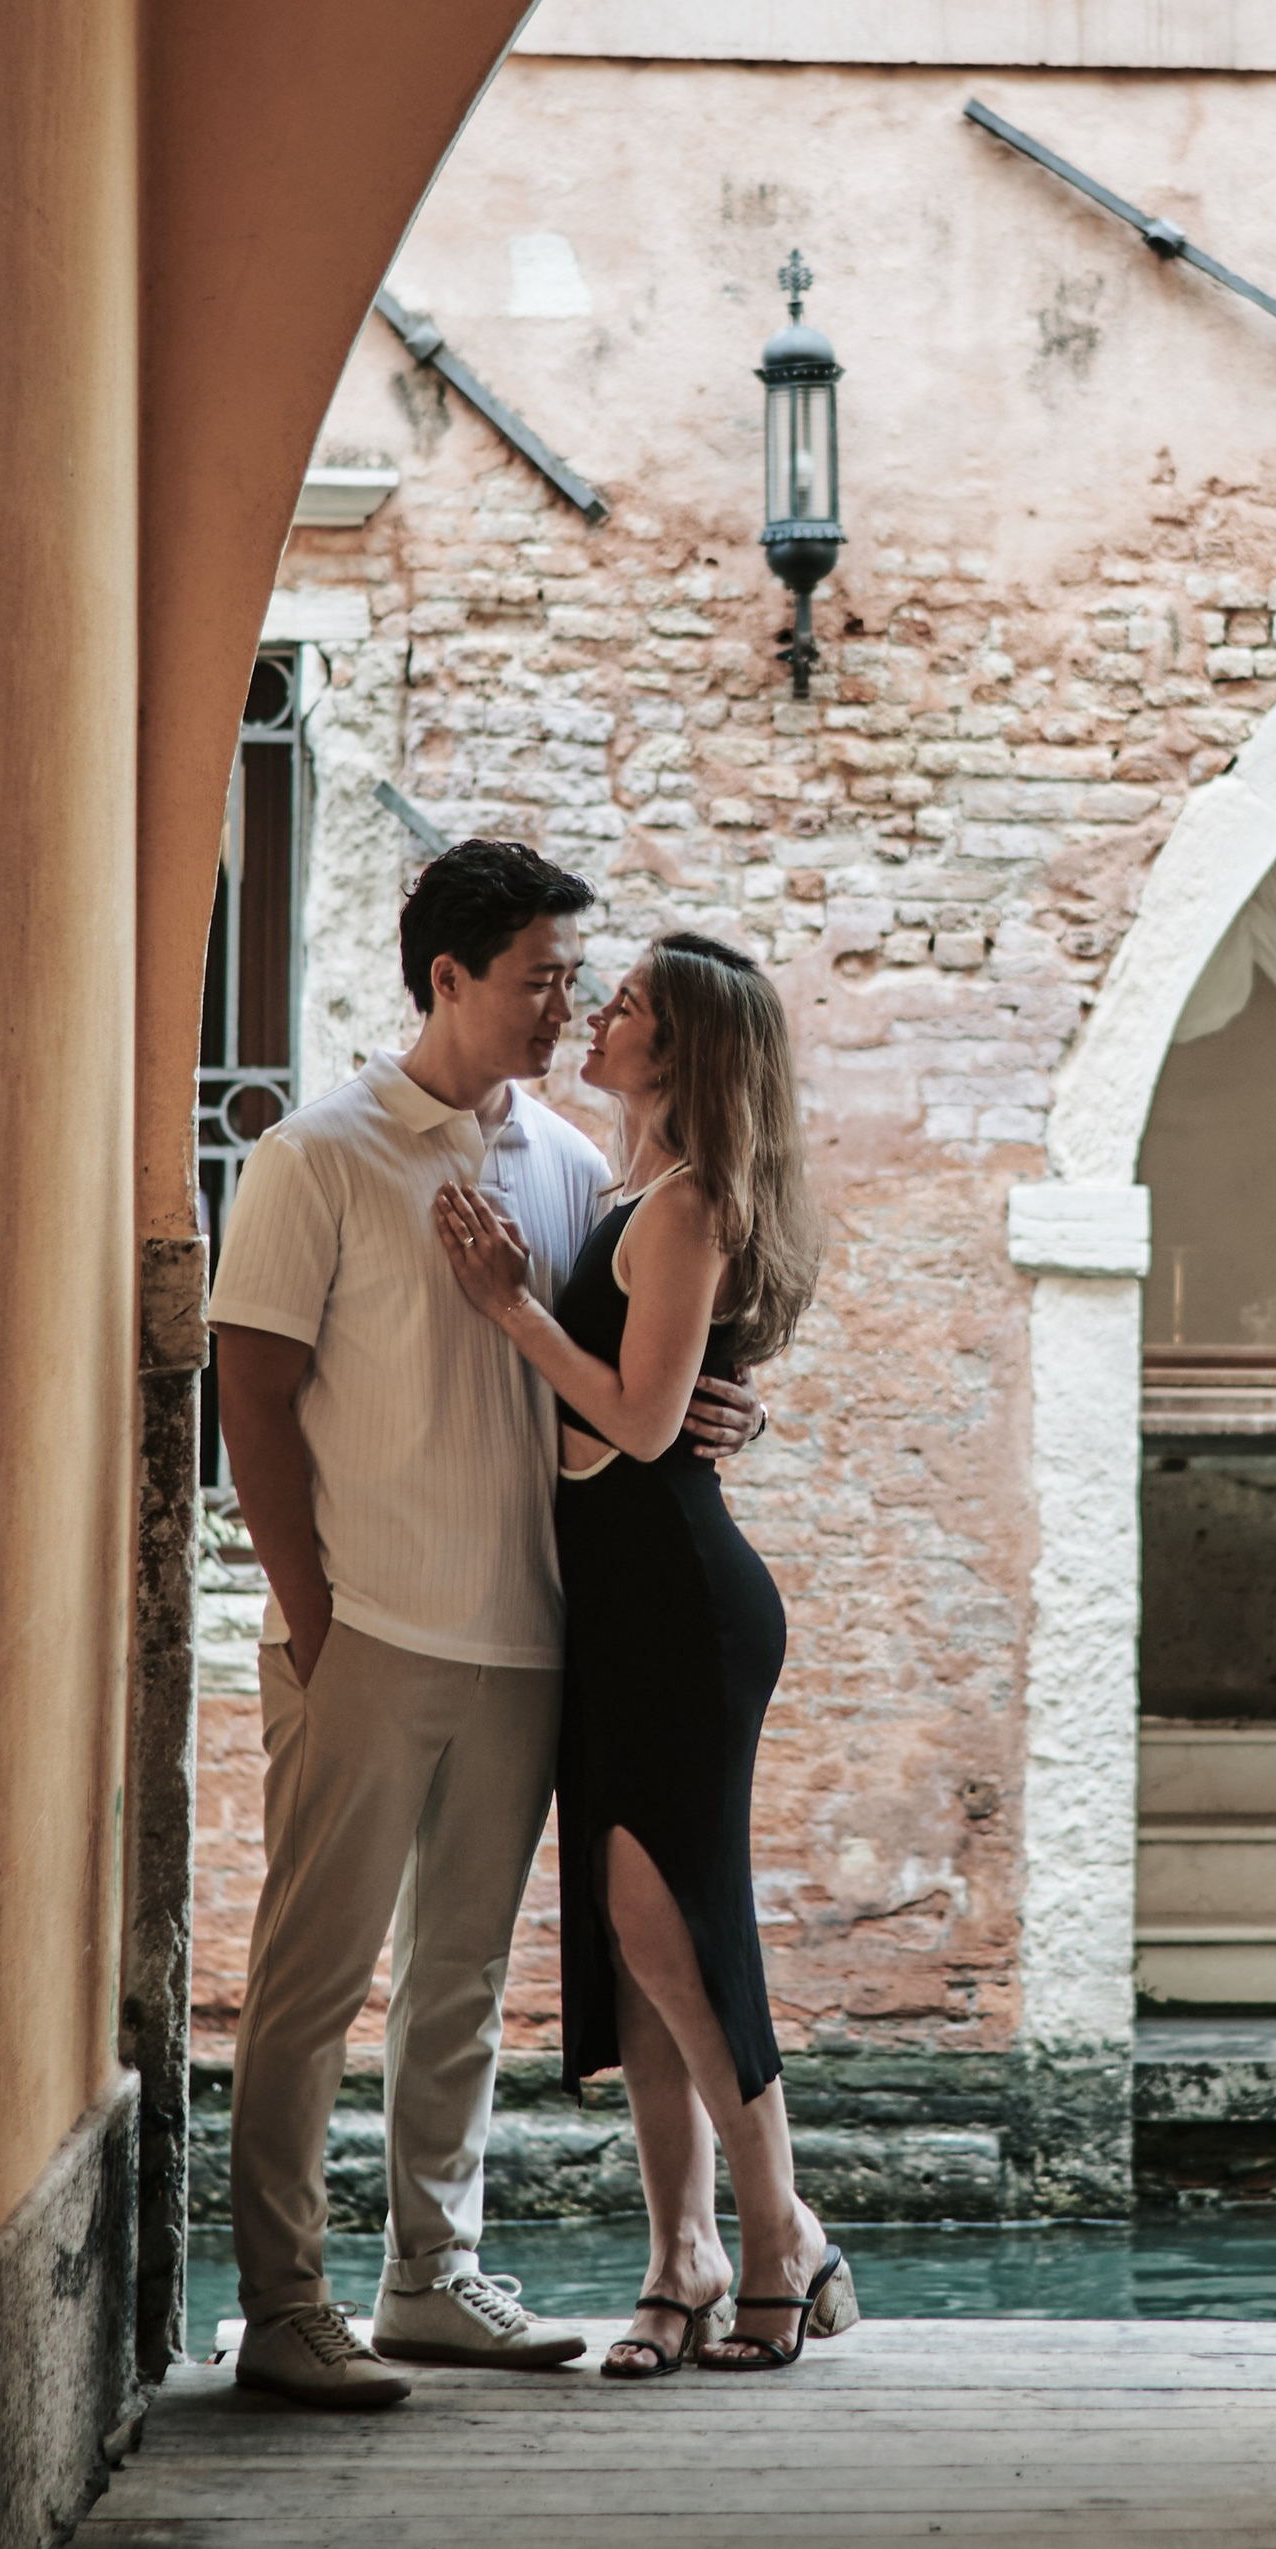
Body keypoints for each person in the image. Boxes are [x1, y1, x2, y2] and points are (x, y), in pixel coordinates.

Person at [210, 839, 764, 2409]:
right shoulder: (318, 1156)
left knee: (457, 1980)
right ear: (447, 977)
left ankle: (432, 2277)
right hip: (369, 1629)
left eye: (575, 981)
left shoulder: (576, 1167)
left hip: (530, 1634)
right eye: (537, 978)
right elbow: (249, 1388)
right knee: (313, 1980)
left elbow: (623, 1371)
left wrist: (724, 1410)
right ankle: (283, 2299)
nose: (561, 1006)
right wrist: (313, 1614)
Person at [434, 931, 857, 2378]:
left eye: (624, 1004)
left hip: (679, 1607)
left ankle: (777, 2236)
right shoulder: (622, 1187)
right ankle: (683, 2256)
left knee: (679, 1928)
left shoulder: (683, 1204)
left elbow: (643, 1417)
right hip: (618, 1603)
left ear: (680, 1050)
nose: (597, 1013)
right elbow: (675, 1398)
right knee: (633, 1940)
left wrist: (510, 1310)